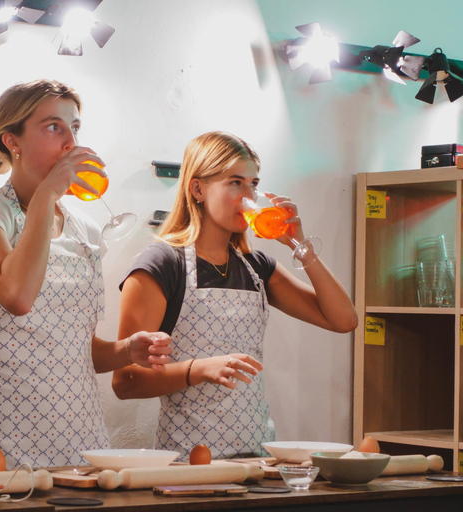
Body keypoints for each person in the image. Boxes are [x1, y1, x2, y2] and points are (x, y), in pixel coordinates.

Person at [0, 79, 172, 468]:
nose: (70, 141)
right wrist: (46, 196)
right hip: (5, 434)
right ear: (12, 142)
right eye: (54, 127)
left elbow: (72, 348)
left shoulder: (85, 228)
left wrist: (126, 351)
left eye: (75, 128)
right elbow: (18, 297)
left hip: (82, 434)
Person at [112, 131, 358, 461]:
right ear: (197, 189)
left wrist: (299, 246)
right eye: (235, 183)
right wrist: (197, 369)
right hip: (189, 463)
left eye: (253, 184)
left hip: (258, 459)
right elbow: (125, 381)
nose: (249, 196)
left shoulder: (257, 267)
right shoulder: (161, 264)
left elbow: (343, 319)